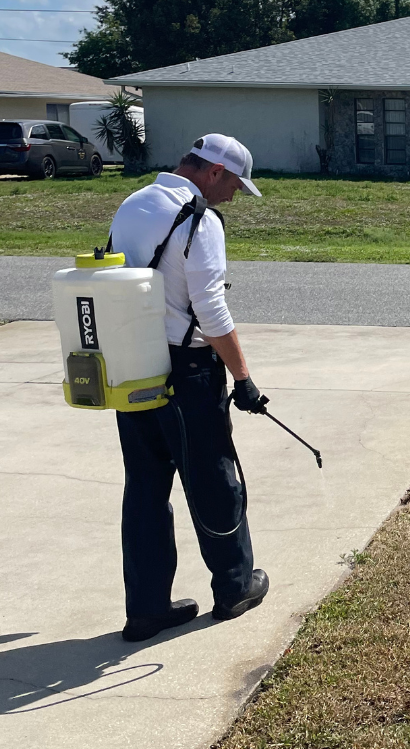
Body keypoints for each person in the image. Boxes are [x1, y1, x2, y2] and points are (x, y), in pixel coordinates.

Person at [109, 134, 270, 642]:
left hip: (132, 365)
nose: (233, 197)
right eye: (235, 186)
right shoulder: (200, 218)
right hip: (188, 371)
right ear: (214, 172)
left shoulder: (134, 203)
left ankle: (147, 609)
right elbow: (211, 308)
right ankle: (235, 587)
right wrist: (243, 378)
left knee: (145, 486)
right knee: (213, 478)